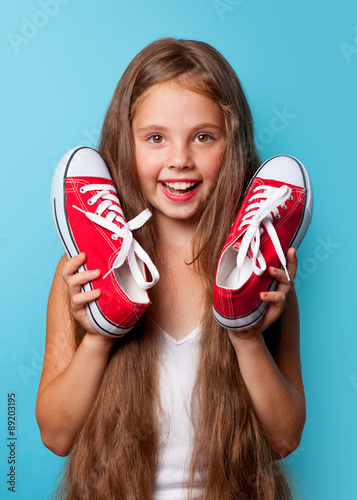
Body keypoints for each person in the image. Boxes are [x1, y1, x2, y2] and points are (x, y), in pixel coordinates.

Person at [36, 38, 306, 500]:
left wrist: (247, 337)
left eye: (204, 137)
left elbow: (284, 439)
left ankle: (234, 310)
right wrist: (100, 336)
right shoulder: (80, 272)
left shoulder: (263, 268)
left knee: (243, 312)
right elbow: (56, 436)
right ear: (126, 144)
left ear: (232, 145)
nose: (180, 159)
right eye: (155, 138)